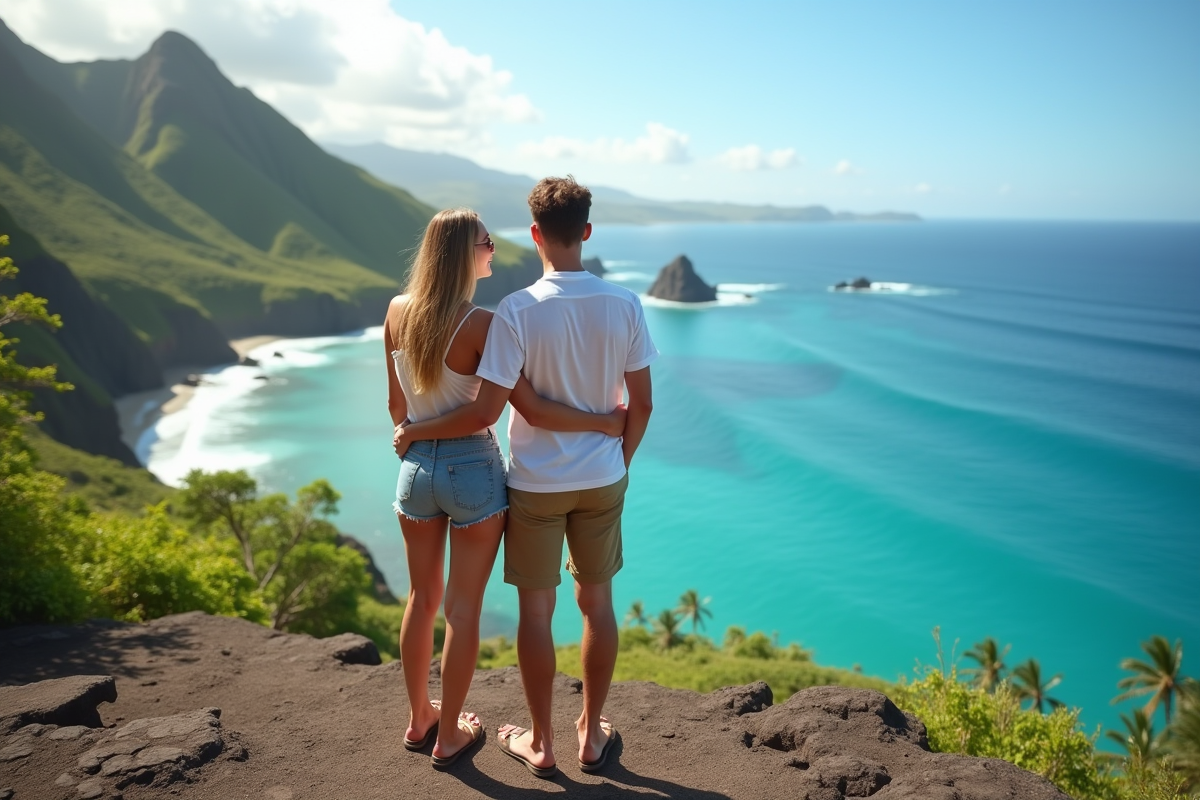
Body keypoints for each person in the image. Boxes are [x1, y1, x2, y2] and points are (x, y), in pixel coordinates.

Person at [394, 178, 656, 777]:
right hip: (599, 477)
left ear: (534, 234)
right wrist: (619, 453)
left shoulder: (513, 311)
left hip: (534, 483)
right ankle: (591, 735)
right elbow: (640, 406)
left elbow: (525, 409)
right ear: (586, 232)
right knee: (598, 605)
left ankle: (541, 743)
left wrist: (412, 434)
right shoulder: (625, 305)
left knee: (532, 614)